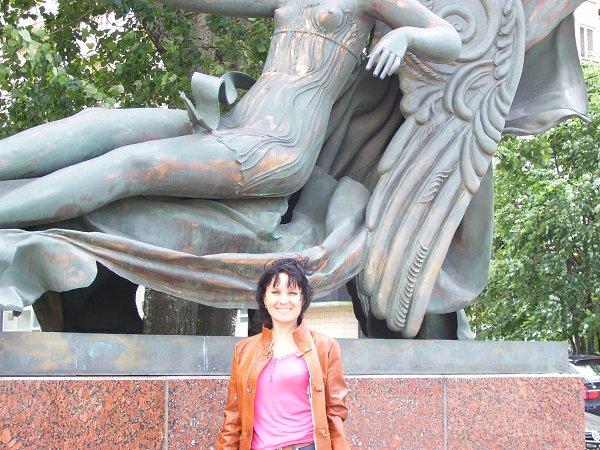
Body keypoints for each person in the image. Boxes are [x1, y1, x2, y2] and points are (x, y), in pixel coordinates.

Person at [0, 0, 461, 228]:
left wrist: (405, 36)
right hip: (234, 122)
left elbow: (449, 39)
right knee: (98, 122)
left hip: (278, 146)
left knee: (133, 165)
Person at [216, 258, 350, 450]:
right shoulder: (243, 350)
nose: (284, 300)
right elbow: (233, 416)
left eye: (292, 293)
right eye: (275, 292)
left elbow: (335, 413)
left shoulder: (325, 347)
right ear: (264, 298)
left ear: (303, 299)